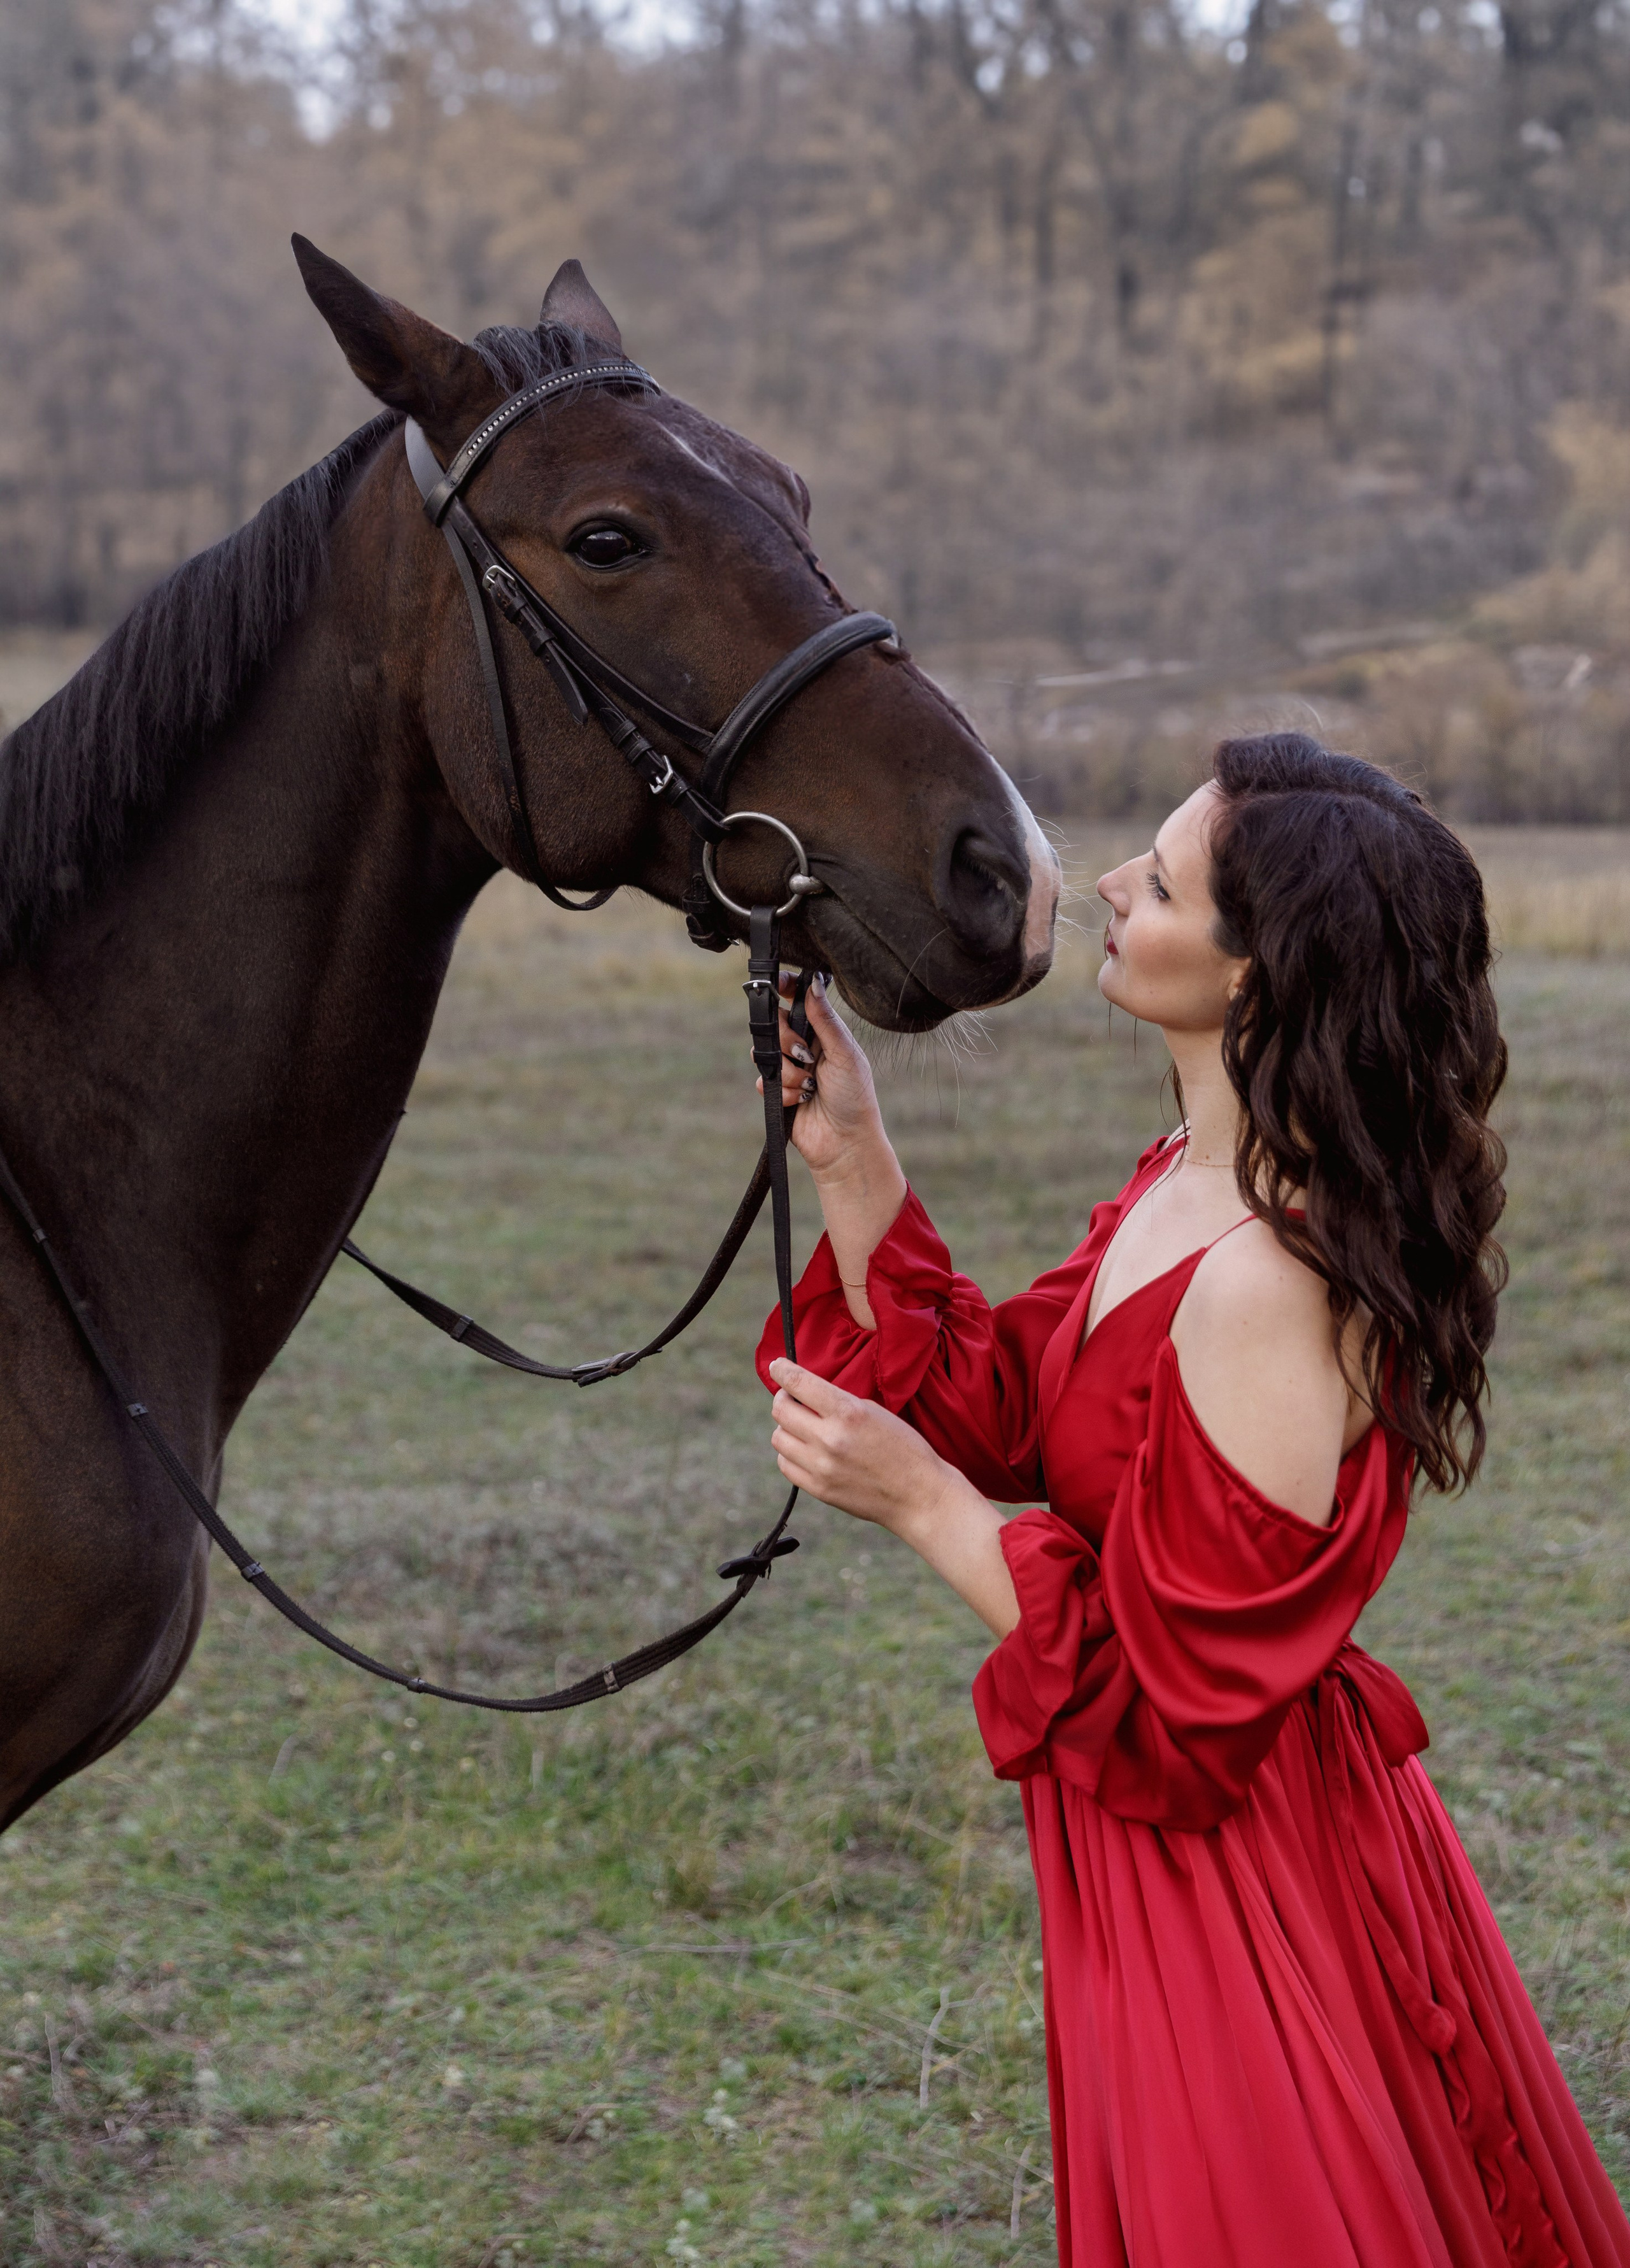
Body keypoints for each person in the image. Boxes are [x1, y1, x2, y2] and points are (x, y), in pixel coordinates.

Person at [756, 734, 1630, 2267]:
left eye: (1155, 883)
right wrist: (854, 1161)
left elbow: (1173, 1709)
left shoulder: (1265, 1285)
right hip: (1169, 1846)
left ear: (1251, 974)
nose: (1102, 886)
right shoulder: (1190, 1180)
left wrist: (929, 1512)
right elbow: (1025, 1406)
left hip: (1235, 1878)